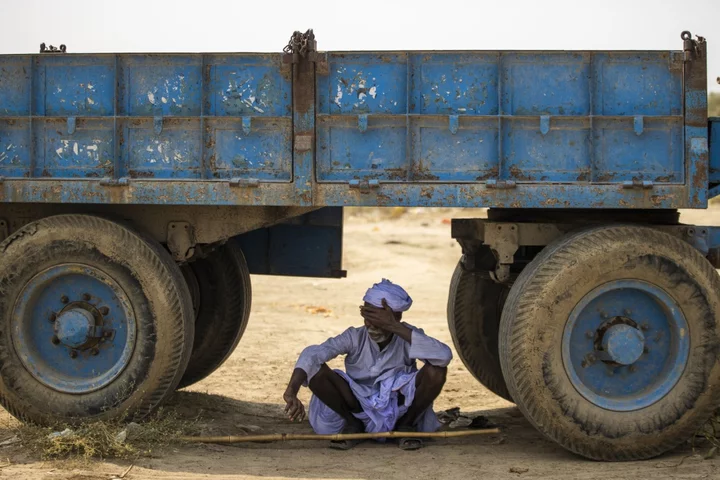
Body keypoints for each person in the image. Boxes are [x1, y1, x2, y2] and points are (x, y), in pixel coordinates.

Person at [283, 279, 453, 450]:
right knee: (317, 371)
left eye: (377, 318)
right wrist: (292, 390)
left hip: (399, 406)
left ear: (397, 317)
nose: (370, 324)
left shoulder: (408, 335)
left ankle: (406, 426)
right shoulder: (354, 336)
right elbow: (312, 354)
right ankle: (353, 424)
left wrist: (395, 327)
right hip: (356, 405)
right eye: (367, 317)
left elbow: (443, 356)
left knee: (436, 370)